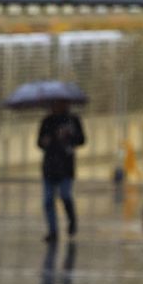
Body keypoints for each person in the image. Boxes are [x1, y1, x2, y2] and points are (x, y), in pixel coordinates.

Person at [36, 99, 84, 243]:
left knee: (65, 195)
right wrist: (44, 141)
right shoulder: (47, 121)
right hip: (49, 167)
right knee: (48, 200)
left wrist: (69, 135)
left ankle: (72, 219)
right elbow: (39, 142)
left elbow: (81, 139)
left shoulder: (72, 120)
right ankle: (53, 231)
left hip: (66, 166)